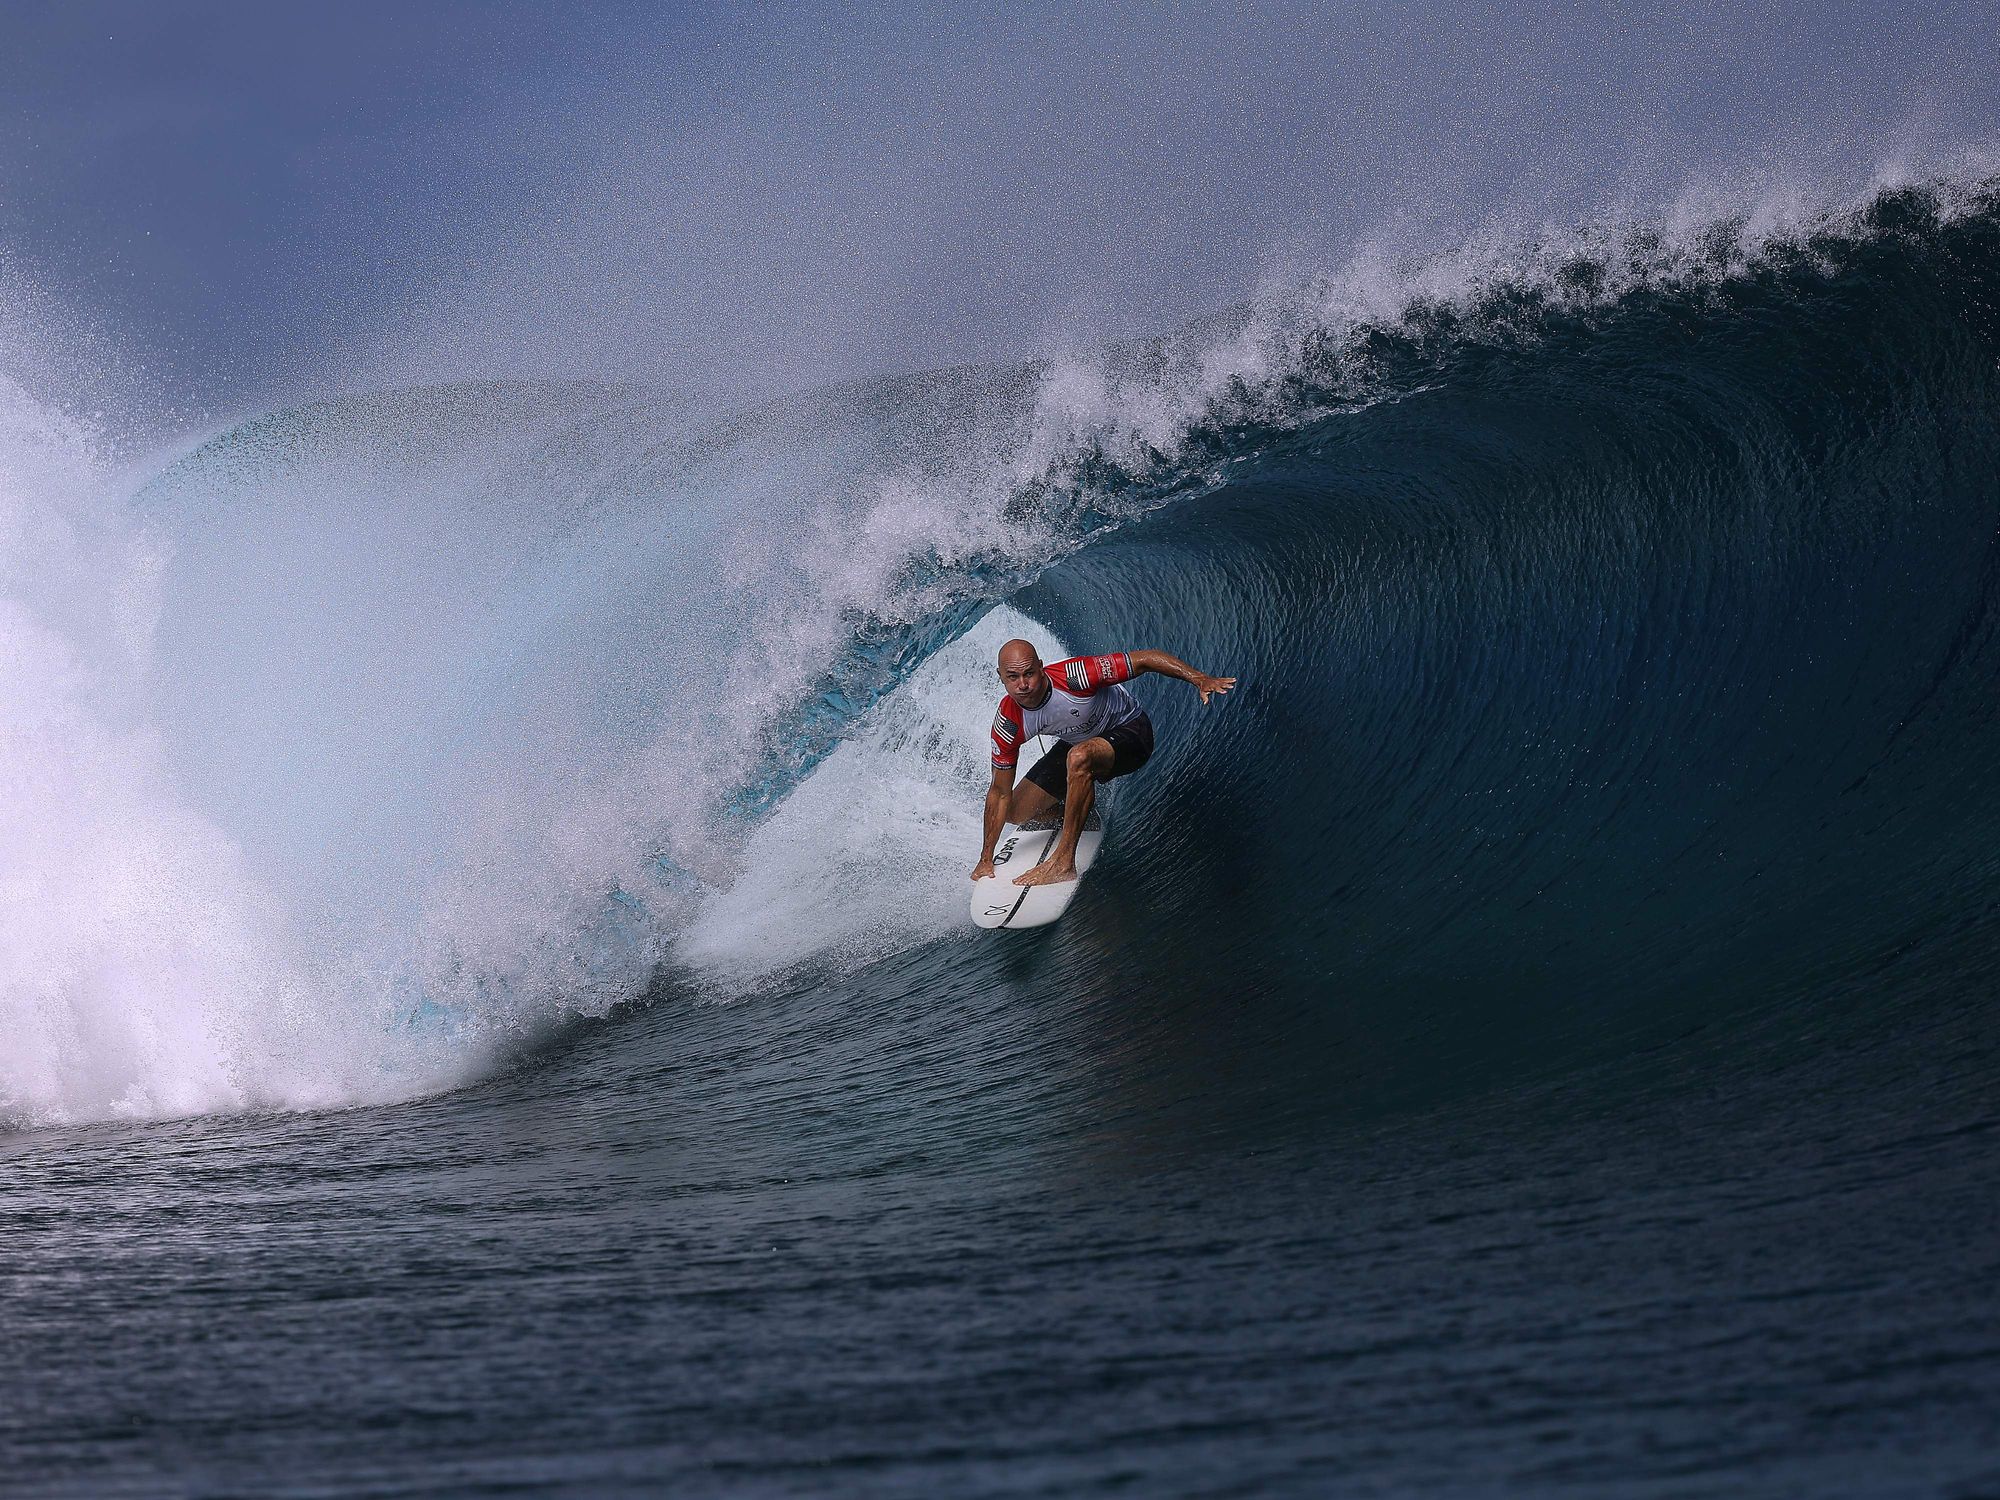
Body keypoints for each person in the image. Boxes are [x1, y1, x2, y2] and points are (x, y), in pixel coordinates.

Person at [971, 638, 1235, 887]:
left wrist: (1199, 679)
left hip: (1131, 733)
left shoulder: (1078, 675)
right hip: (1080, 743)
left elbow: (1145, 659)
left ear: (1041, 667)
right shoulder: (1009, 723)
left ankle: (1064, 862)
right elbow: (999, 793)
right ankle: (1077, 813)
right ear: (1001, 677)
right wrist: (985, 860)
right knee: (1015, 811)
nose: (1023, 685)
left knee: (1079, 757)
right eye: (1012, 677)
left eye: (1028, 673)